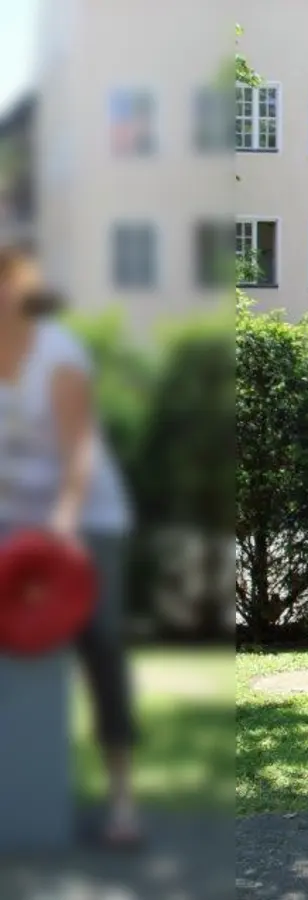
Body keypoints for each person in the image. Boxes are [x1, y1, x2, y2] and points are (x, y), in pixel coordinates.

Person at [0, 246, 139, 847]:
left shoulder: (57, 354)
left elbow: (79, 450)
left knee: (101, 643)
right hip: (12, 521)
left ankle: (122, 802)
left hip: (86, 516)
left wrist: (64, 525)